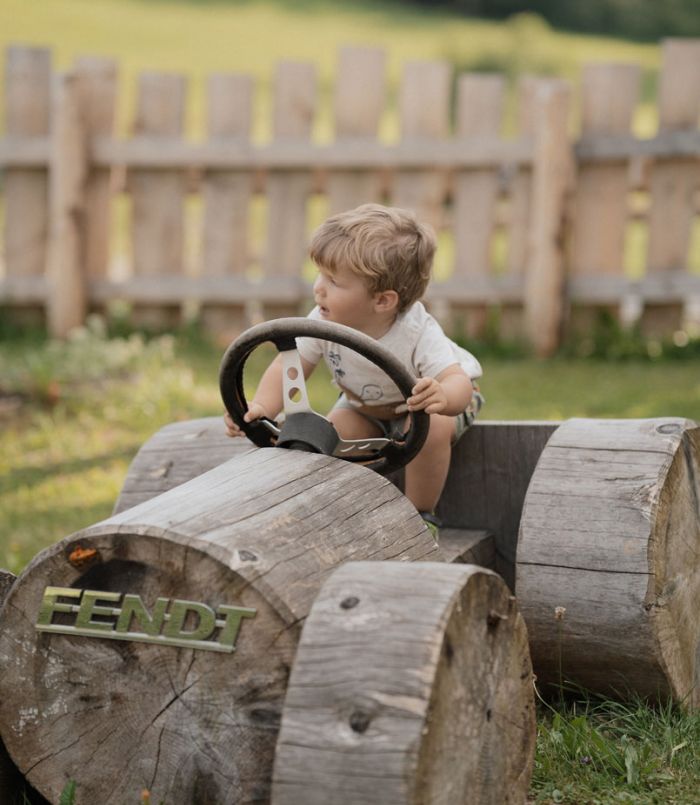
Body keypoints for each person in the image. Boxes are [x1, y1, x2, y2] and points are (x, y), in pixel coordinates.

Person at [224, 203, 482, 540]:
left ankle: (420, 514)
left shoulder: (418, 331)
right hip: (363, 405)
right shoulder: (322, 321)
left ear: (383, 301)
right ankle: (349, 508)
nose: (318, 288)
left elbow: (458, 382)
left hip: (427, 405)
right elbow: (287, 367)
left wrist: (443, 395)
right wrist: (262, 407)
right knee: (329, 434)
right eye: (320, 274)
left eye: (333, 281)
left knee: (433, 426)